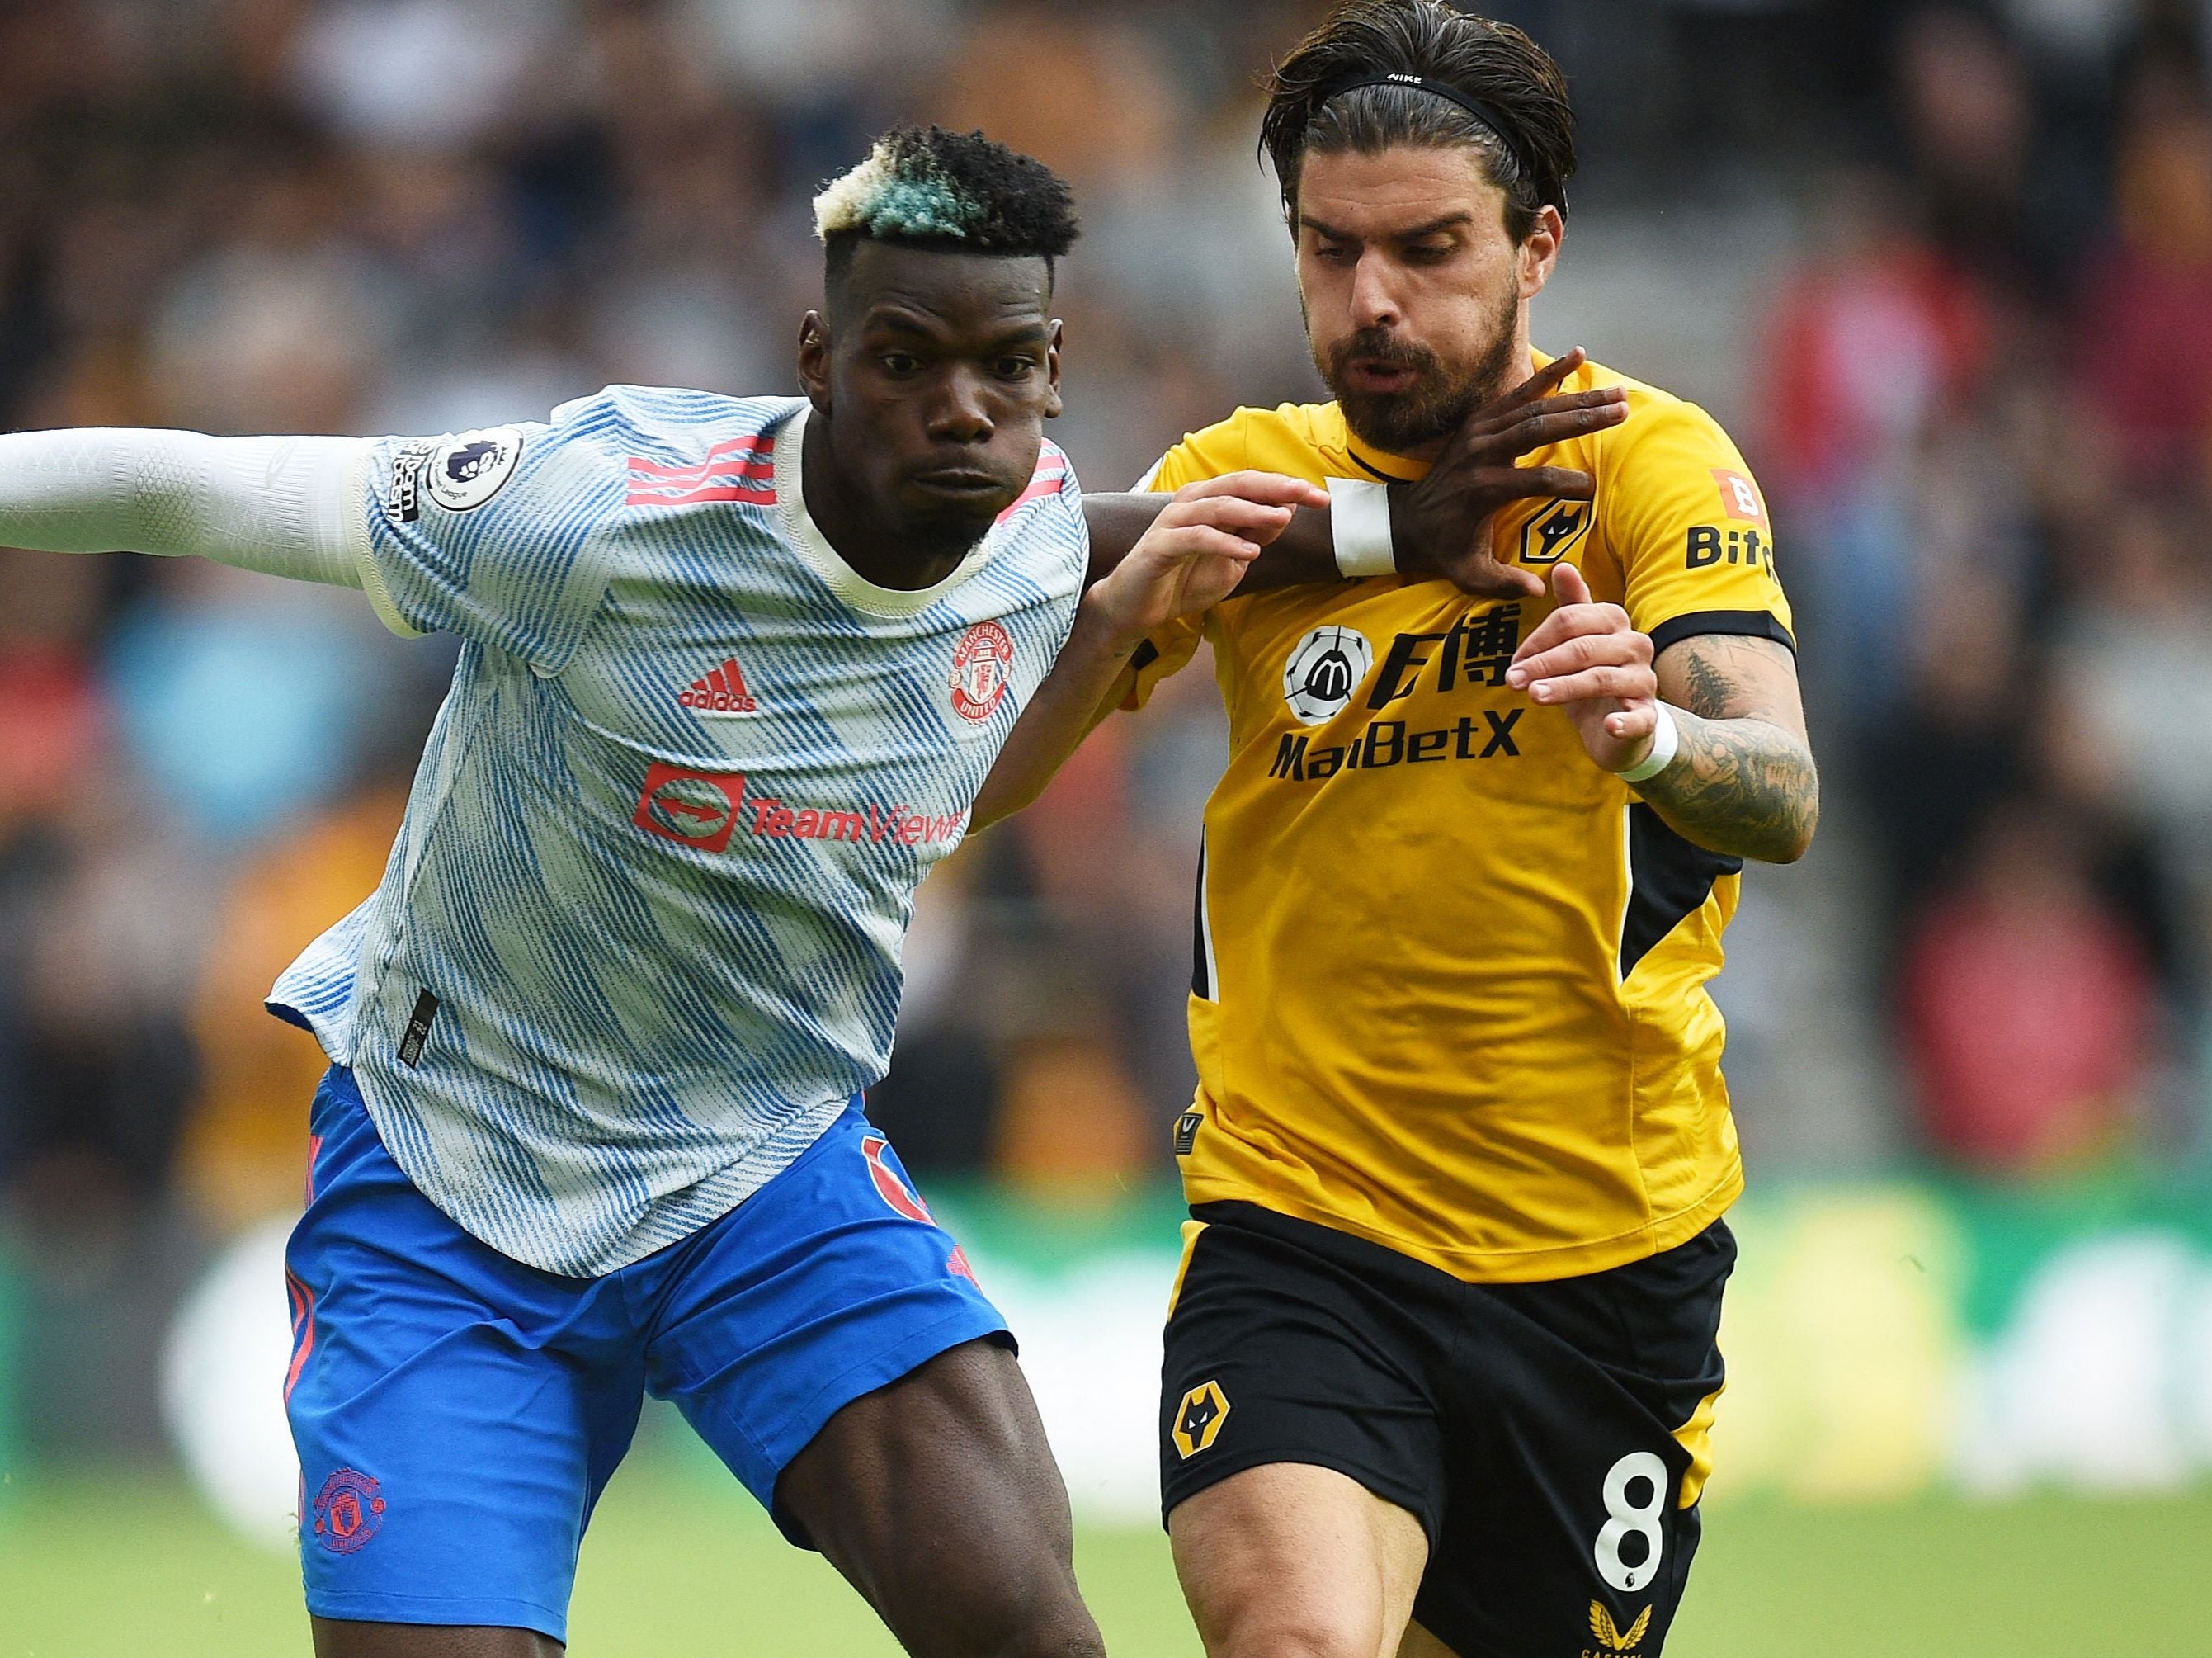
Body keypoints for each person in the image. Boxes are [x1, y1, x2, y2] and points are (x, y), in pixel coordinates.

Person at [0, 125, 1349, 1658]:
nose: (959, 412)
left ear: (1051, 371)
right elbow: (203, 488)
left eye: (1008, 366)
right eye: (906, 360)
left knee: (1025, 1626)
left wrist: (1399, 528)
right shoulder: (598, 503)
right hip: (458, 1164)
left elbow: (1174, 555)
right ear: (820, 356)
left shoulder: (1025, 531)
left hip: (765, 1170)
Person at [975, 7, 1822, 1656]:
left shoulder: (1646, 465)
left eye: (1430, 250)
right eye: (1330, 250)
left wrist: (1648, 733)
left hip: (1606, 1260)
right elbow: (981, 780)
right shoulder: (1241, 488)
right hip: (1304, 1228)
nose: (1372, 302)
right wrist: (1118, 611)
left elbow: (1780, 791)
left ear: (1537, 245)